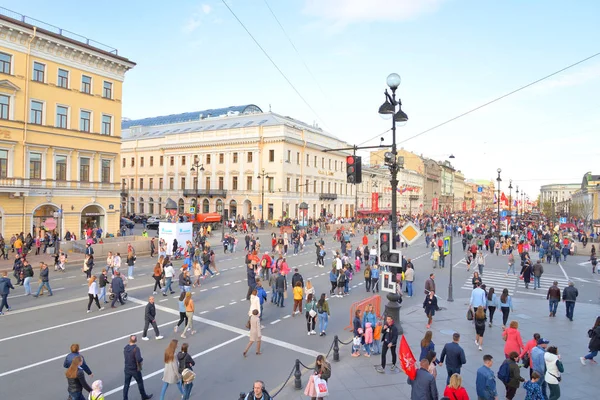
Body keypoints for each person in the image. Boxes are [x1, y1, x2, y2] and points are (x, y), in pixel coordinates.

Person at [123, 335, 153, 400]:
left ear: (129, 340)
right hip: (134, 369)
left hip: (127, 368)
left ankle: (125, 398)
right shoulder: (136, 349)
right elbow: (138, 358)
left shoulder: (125, 348)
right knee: (140, 382)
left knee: (126, 385)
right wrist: (141, 360)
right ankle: (143, 396)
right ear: (136, 340)